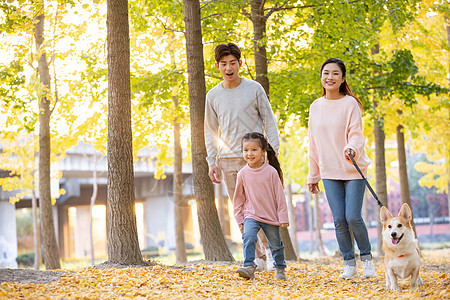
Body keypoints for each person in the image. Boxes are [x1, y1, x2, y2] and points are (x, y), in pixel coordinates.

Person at [205, 43, 280, 271]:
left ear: (239, 63)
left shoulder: (254, 88)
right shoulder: (213, 95)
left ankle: (271, 252)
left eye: (233, 63)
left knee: (262, 208)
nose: (229, 68)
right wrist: (212, 160)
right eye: (224, 64)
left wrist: (273, 151)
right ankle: (256, 257)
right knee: (240, 211)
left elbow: (269, 119)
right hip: (227, 160)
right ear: (218, 66)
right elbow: (210, 130)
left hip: (256, 159)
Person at [307, 58, 376, 279]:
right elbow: (313, 144)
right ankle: (349, 264)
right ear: (321, 77)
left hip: (352, 169)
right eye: (326, 73)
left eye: (335, 73)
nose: (330, 77)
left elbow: (357, 134)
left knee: (353, 217)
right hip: (329, 172)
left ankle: (366, 260)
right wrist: (313, 175)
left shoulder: (350, 104)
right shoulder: (315, 107)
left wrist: (351, 148)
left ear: (343, 78)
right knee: (338, 219)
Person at [233, 132, 289, 280]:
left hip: (270, 216)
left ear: (263, 151)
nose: (249, 153)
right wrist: (240, 219)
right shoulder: (242, 174)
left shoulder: (271, 172)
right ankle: (249, 266)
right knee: (249, 237)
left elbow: (280, 196)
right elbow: (238, 199)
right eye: (246, 150)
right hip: (251, 214)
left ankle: (280, 268)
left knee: (276, 245)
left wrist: (283, 216)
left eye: (254, 149)